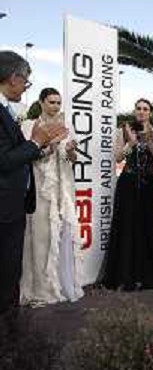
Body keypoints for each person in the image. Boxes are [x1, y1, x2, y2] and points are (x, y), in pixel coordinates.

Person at [0, 52, 67, 322]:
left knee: (10, 270)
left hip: (14, 204)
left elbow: (15, 154)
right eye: (25, 82)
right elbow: (4, 161)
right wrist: (35, 142)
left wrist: (42, 148)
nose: (25, 86)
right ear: (13, 78)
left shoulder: (7, 111)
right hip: (4, 207)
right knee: (6, 273)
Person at [20, 88, 84, 306]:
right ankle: (41, 289)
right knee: (40, 237)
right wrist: (52, 144)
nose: (56, 106)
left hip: (63, 188)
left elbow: (70, 158)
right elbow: (28, 157)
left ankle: (61, 284)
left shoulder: (67, 127)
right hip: (40, 189)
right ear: (41, 102)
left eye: (58, 102)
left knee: (62, 235)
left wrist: (72, 150)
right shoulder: (29, 126)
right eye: (51, 102)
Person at [103, 98, 153, 291]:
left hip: (150, 184)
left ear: (150, 112)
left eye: (145, 109)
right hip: (128, 182)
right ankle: (124, 276)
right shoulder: (124, 129)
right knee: (127, 228)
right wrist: (130, 142)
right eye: (138, 108)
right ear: (134, 110)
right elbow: (118, 157)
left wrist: (146, 141)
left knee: (148, 228)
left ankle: (148, 276)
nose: (141, 112)